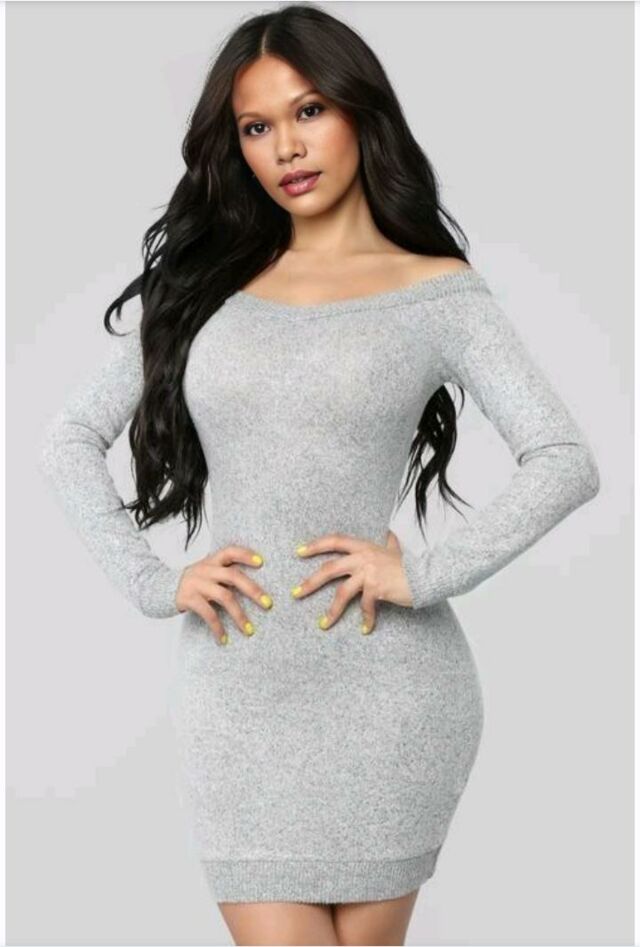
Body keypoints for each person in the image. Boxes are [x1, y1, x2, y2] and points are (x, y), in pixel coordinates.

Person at [37, 5, 600, 945]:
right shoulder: (201, 288)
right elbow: (68, 439)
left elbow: (564, 458)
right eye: (256, 127)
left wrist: (424, 573)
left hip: (390, 694)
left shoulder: (436, 292)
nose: (286, 148)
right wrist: (153, 581)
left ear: (358, 111)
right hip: (239, 695)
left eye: (308, 112)